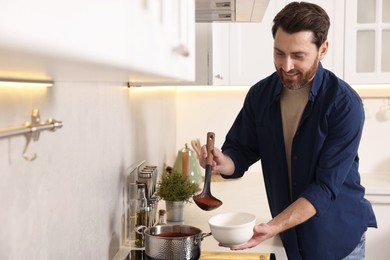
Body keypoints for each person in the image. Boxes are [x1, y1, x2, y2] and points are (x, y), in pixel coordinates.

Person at [198, 2, 377, 259]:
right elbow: (241, 151)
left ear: (322, 49)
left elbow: (324, 188)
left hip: (337, 240)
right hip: (289, 236)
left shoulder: (344, 104)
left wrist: (272, 227)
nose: (287, 65)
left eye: (298, 55)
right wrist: (221, 162)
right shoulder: (260, 95)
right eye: (279, 53)